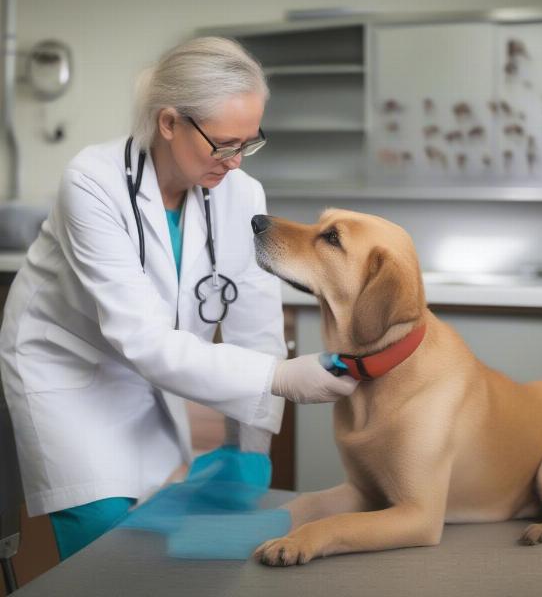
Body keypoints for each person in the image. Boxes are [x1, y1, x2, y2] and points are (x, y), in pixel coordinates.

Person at [0, 37, 357, 560]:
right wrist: (278, 378)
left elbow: (254, 325)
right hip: (66, 367)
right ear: (169, 123)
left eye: (249, 143)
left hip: (149, 367)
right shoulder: (92, 181)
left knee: (154, 533)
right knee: (103, 539)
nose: (235, 162)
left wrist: (249, 448)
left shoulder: (241, 193)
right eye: (224, 144)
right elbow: (142, 338)